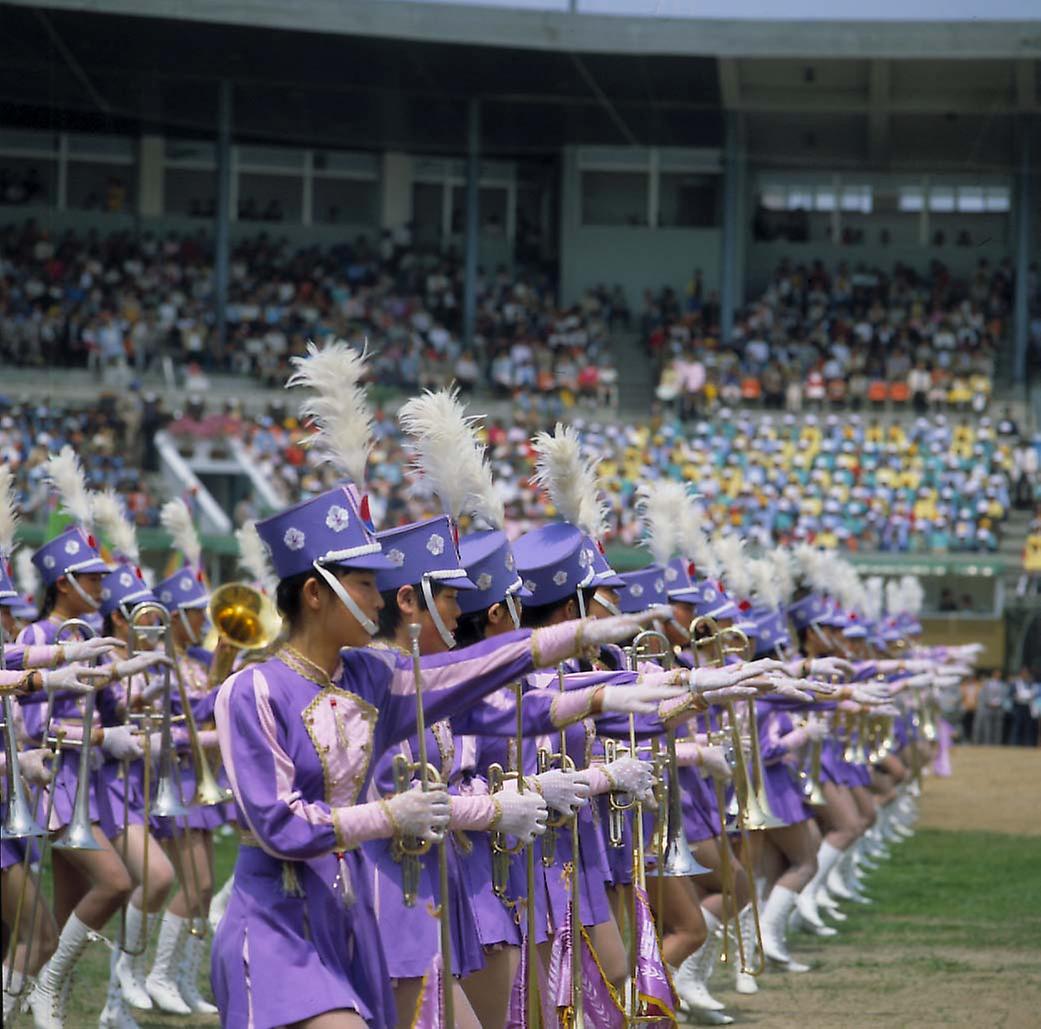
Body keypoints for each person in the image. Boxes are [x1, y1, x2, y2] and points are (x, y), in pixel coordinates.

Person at [973, 673, 1007, 745]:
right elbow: (983, 695)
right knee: (987, 727)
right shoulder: (987, 684)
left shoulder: (1003, 685)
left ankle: (997, 743)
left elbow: (1004, 696)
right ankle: (987, 743)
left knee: (998, 727)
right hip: (988, 707)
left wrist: (999, 703)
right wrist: (988, 702)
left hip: (999, 708)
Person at [1009, 667, 1039, 747]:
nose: (1025, 675)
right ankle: (1015, 744)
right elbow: (1011, 694)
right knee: (1017, 726)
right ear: (1021, 674)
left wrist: (1031, 696)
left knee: (1029, 727)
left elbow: (1036, 693)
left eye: (1026, 673)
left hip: (1029, 707)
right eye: (1023, 673)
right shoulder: (1015, 683)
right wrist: (1017, 696)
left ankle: (1028, 744)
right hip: (1019, 707)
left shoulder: (1031, 683)